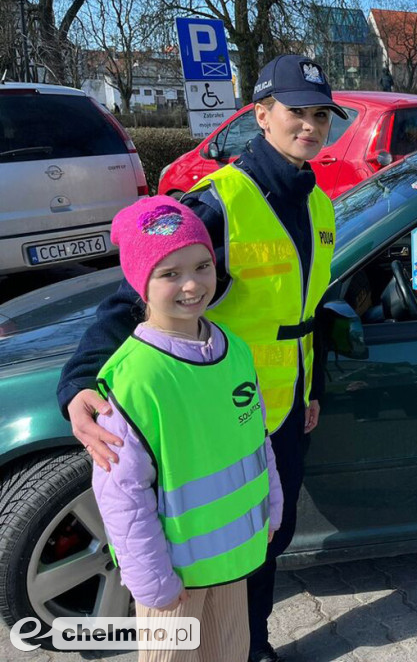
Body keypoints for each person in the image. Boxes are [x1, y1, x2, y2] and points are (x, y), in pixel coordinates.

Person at [57, 54, 341, 662]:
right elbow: (138, 294)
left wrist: (313, 386)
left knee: (271, 531)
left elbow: (305, 306)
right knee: (226, 541)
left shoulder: (318, 201)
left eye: (321, 115)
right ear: (262, 114)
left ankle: (245, 639)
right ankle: (244, 646)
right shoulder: (221, 200)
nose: (311, 126)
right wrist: (80, 379)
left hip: (283, 402)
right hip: (218, 409)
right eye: (297, 112)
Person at [92, 196, 283, 662]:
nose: (193, 284)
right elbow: (122, 493)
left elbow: (257, 440)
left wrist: (271, 508)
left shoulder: (234, 349)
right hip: (171, 579)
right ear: (141, 284)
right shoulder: (136, 378)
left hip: (233, 560)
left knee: (230, 653)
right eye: (169, 273)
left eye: (202, 265)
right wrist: (152, 582)